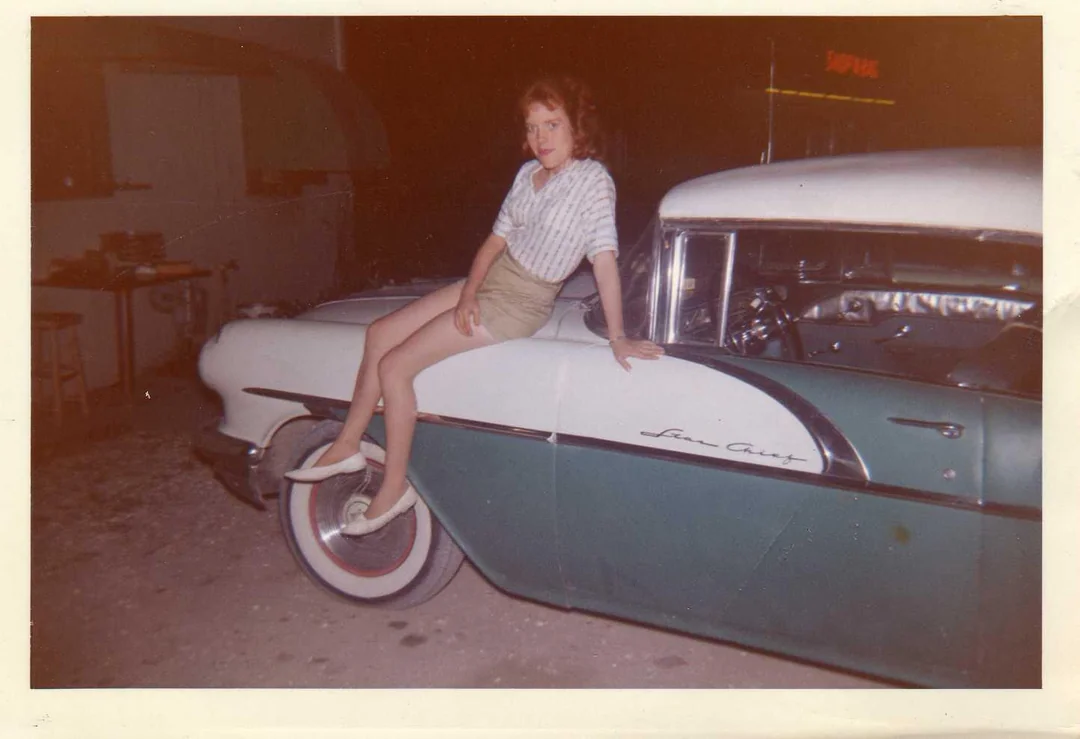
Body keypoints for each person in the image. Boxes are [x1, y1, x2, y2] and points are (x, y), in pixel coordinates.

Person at [285, 75, 664, 535]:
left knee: (396, 366)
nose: (540, 138)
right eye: (532, 127)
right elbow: (493, 242)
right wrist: (466, 294)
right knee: (378, 333)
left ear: (577, 128)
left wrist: (619, 336)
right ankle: (347, 444)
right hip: (489, 281)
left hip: (521, 302)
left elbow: (604, 260)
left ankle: (395, 486)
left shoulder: (592, 181)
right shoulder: (528, 176)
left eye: (552, 124)